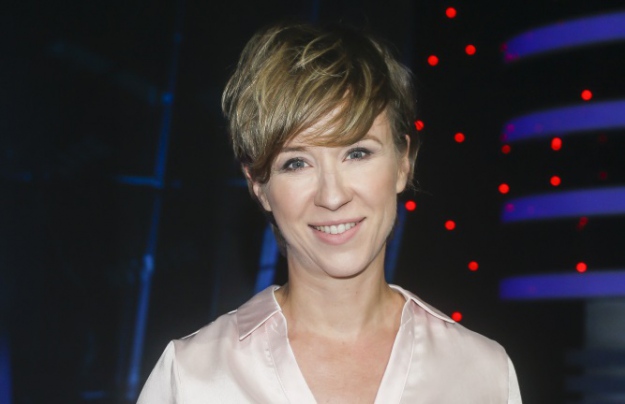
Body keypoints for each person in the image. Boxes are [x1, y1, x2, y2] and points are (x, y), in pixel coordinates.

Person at [137, 21, 522, 403]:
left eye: (357, 153)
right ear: (258, 184)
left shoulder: (481, 372)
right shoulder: (193, 377)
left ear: (403, 162)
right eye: (296, 163)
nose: (333, 196)